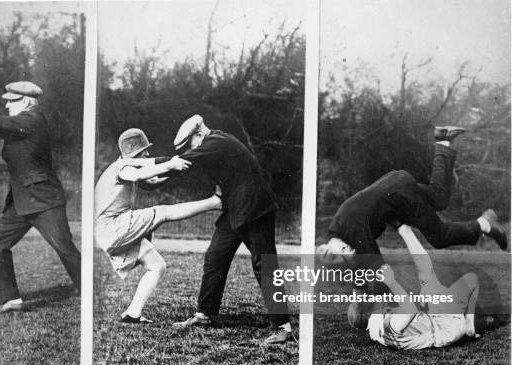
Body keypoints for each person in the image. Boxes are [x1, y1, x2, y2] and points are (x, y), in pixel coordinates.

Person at [316, 126, 507, 328]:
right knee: (438, 198)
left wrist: (385, 308)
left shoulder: (353, 230)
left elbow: (380, 273)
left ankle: (484, 223)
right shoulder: (339, 231)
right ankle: (443, 141)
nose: (352, 253)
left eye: (346, 255)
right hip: (394, 186)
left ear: (335, 248)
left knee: (439, 236)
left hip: (398, 195)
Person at [169, 115, 293, 344]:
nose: (190, 149)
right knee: (215, 256)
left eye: (189, 144)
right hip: (236, 209)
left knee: (264, 265)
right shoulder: (216, 142)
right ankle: (205, 314)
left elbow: (183, 163)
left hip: (256, 209)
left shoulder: (215, 143)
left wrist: (151, 170)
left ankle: (283, 327)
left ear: (198, 134)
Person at [0, 81, 80, 314]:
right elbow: (1, 127)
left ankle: (89, 289)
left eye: (11, 100)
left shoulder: (32, 120)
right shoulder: (20, 124)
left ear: (26, 101)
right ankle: (10, 300)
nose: (6, 104)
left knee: (65, 249)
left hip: (44, 200)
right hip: (21, 201)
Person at [95, 128, 222, 322]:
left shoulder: (126, 168)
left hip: (110, 231)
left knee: (157, 266)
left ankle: (133, 313)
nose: (147, 154)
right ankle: (216, 202)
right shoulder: (123, 168)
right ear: (134, 153)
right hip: (113, 226)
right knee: (163, 212)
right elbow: (139, 175)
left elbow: (152, 181)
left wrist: (176, 169)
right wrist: (171, 163)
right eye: (143, 151)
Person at [366, 225, 480, 350]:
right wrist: (391, 282)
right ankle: (469, 325)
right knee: (472, 279)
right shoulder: (387, 328)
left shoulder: (382, 321)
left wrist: (377, 310)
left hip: (430, 313)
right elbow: (410, 311)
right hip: (446, 325)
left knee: (429, 276)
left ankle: (404, 230)